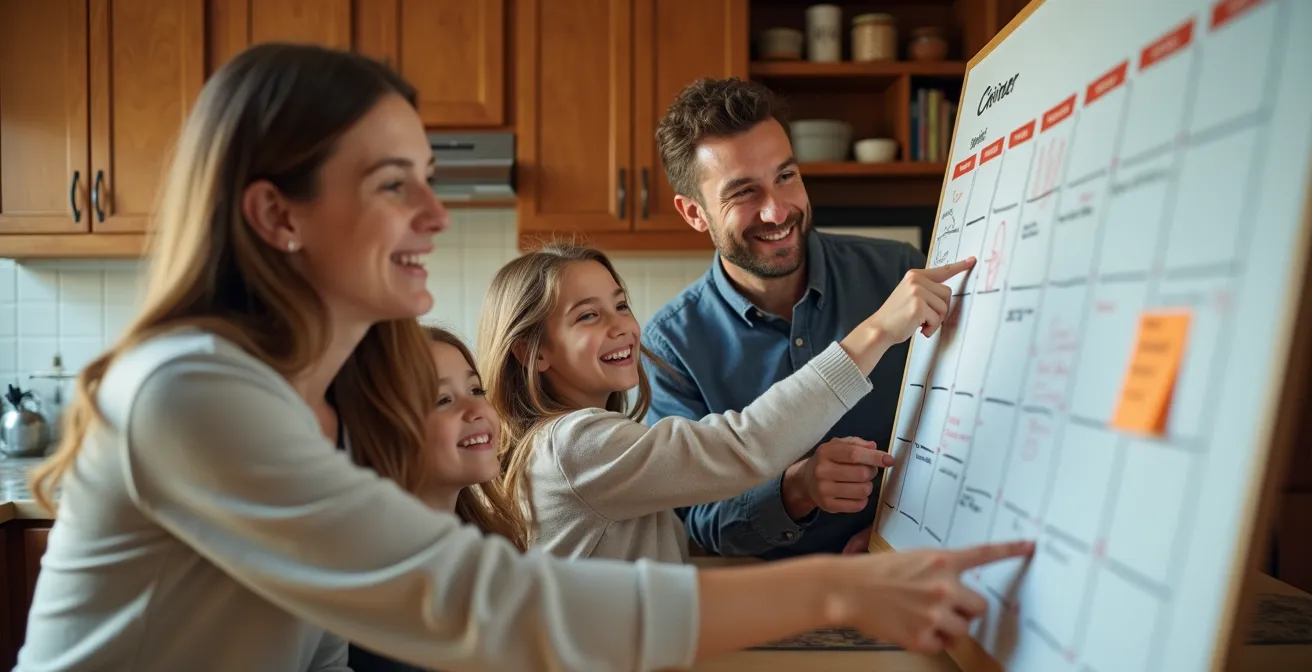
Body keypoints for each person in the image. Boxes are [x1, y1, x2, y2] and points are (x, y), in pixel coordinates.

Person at [15, 43, 1029, 670]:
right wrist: (839, 593)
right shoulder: (190, 390)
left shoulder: (322, 411)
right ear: (278, 216)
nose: (434, 211)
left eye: (427, 175)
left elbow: (320, 654)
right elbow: (480, 603)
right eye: (392, 183)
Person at [478, 242, 970, 565]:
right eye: (588, 316)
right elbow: (743, 445)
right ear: (533, 352)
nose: (620, 325)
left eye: (621, 304)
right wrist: (877, 331)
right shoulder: (575, 446)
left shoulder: (573, 444)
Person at [642, 77, 933, 560]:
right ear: (694, 213)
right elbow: (698, 519)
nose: (777, 211)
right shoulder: (671, 347)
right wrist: (797, 489)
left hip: (914, 567)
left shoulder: (899, 273)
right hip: (778, 593)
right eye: (743, 192)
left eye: (786, 176)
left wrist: (896, 533)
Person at [345, 325, 528, 672]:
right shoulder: (377, 577)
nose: (476, 410)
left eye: (476, 390)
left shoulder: (488, 546)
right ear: (385, 429)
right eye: (443, 400)